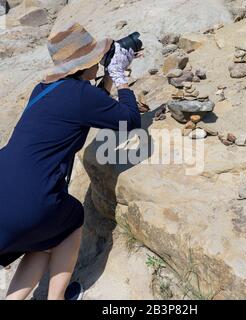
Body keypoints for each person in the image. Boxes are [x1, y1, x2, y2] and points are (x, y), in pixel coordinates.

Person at [0, 22, 142, 300]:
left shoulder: (43, 89)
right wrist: (119, 77)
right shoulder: (80, 95)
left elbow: (86, 106)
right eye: (96, 59)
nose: (98, 63)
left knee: (41, 240)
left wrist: (108, 77)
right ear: (82, 66)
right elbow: (130, 121)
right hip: (32, 202)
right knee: (72, 219)